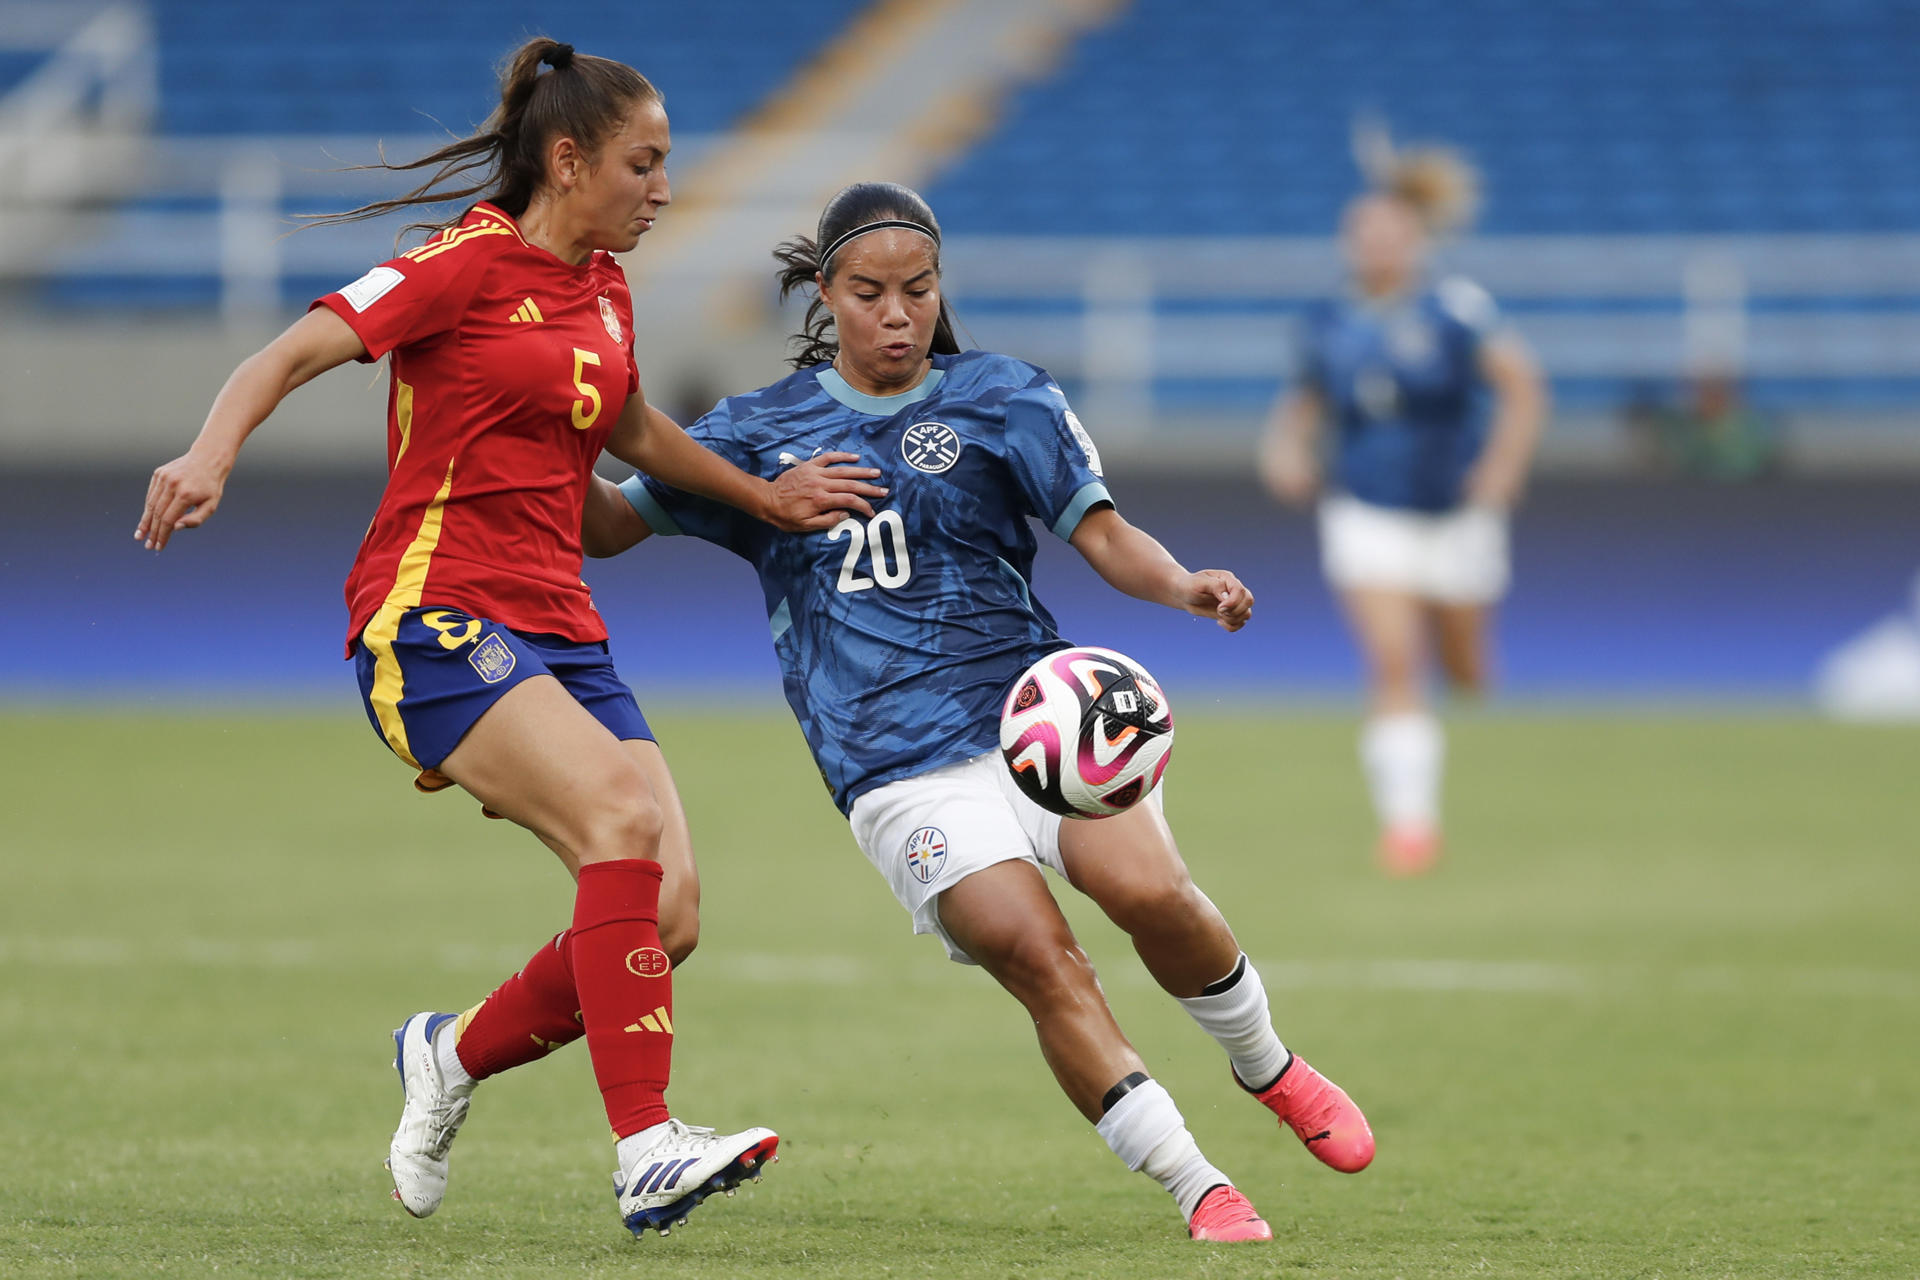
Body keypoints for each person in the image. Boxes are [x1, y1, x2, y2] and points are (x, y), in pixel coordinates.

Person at [134, 38, 879, 1239]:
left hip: (562, 628)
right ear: (569, 157)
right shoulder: (460, 266)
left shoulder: (608, 289)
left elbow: (628, 426)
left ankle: (449, 1055)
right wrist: (208, 450)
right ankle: (645, 1143)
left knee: (670, 909)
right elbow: (291, 350)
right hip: (433, 615)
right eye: (645, 162)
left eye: (668, 165)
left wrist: (763, 497)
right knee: (622, 824)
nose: (665, 188)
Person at [579, 182, 1376, 1244]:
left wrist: (1186, 584)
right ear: (827, 293)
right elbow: (604, 529)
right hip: (893, 764)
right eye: (869, 292)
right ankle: (1200, 1185)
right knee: (1040, 953)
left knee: (1154, 894)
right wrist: (552, 411)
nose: (897, 312)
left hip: (1038, 721)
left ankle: (1267, 1065)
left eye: (918, 288)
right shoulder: (758, 433)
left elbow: (1103, 534)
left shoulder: (1005, 398)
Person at [1258, 143, 1547, 875]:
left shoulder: (1456, 310)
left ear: (1416, 240)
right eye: (1363, 233)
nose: (1375, 245)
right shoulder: (1326, 320)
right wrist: (1285, 446)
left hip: (1455, 509)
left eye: (1389, 233)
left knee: (1467, 671)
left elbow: (1522, 384)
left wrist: (1503, 466)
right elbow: (1307, 401)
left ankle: (1462, 692)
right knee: (1394, 663)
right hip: (1366, 507)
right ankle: (1410, 827)